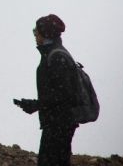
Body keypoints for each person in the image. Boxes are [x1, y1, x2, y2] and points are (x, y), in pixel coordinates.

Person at [14, 14, 78, 166]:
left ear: (45, 33)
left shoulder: (56, 56)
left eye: (36, 30)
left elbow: (63, 94)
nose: (35, 34)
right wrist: (36, 105)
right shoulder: (54, 53)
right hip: (59, 123)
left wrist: (36, 105)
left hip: (58, 124)